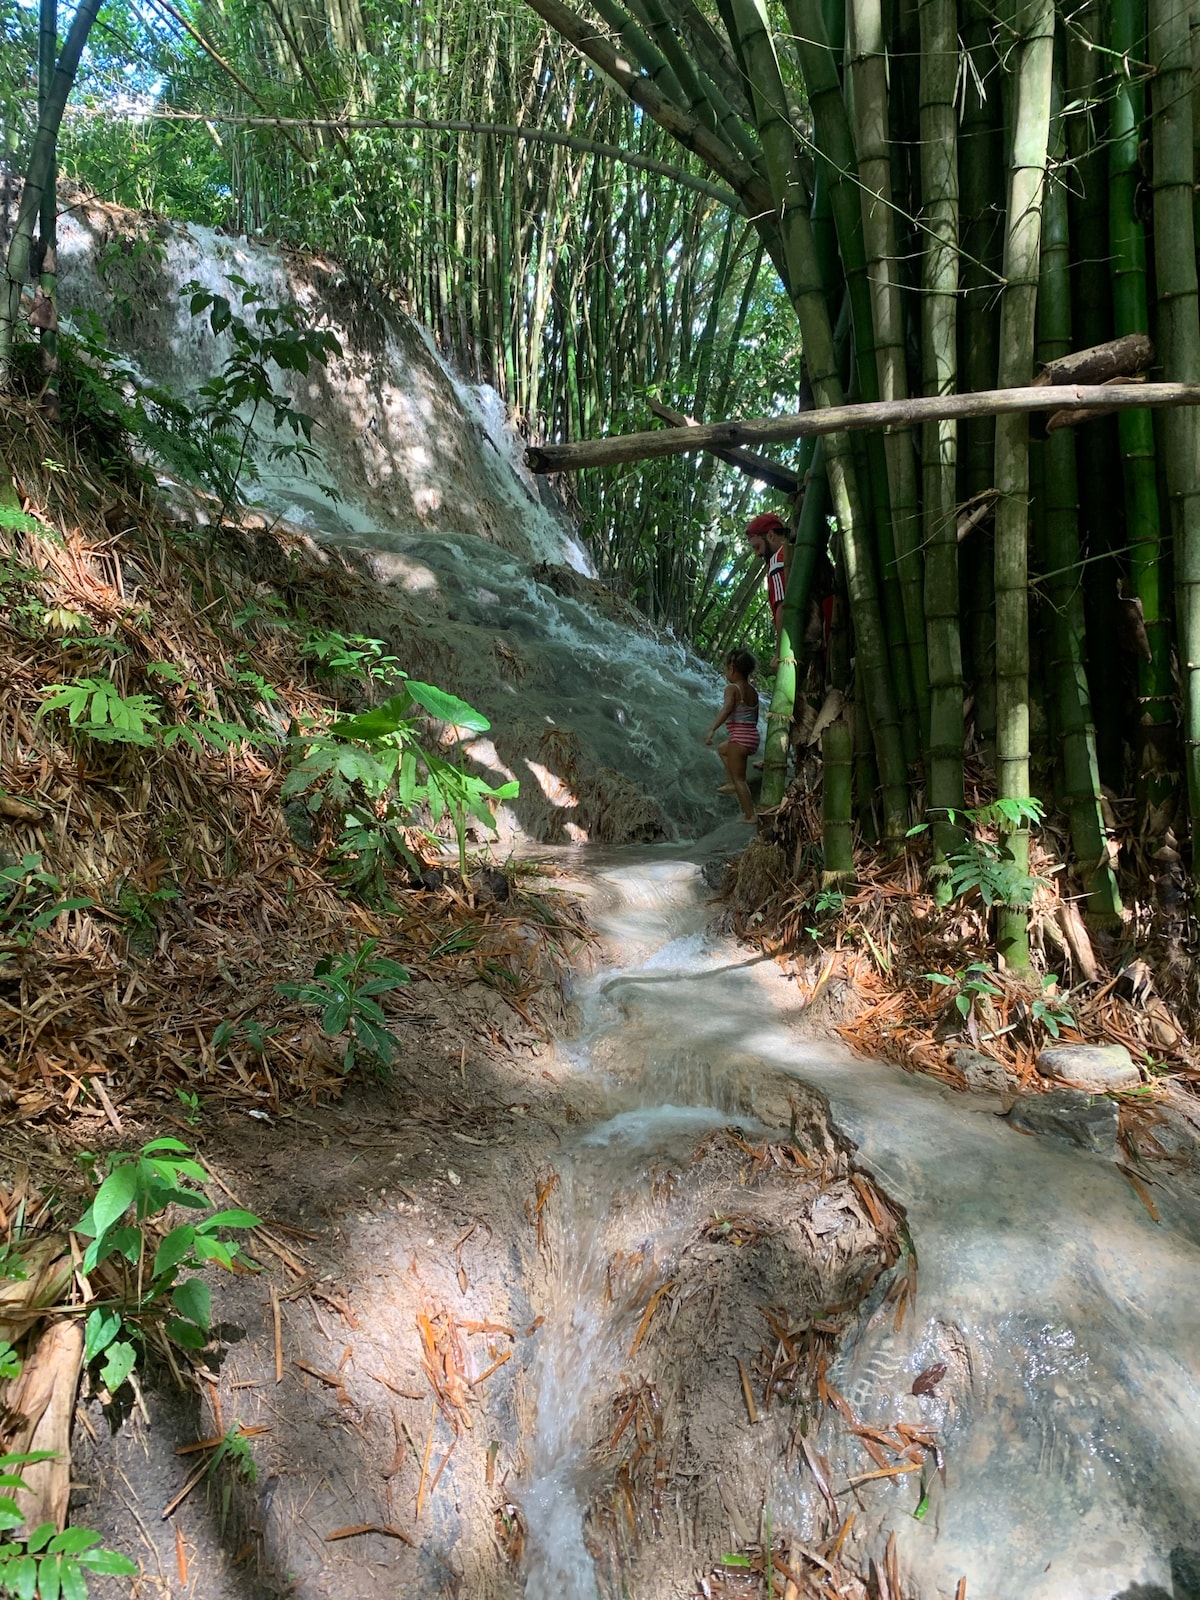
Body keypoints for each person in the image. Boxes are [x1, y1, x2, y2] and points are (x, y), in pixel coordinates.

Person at [704, 649, 759, 823]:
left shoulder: (732, 688)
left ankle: (750, 815)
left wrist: (712, 728)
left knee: (740, 779)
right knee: (722, 749)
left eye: (727, 669)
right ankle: (731, 783)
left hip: (739, 739)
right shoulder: (753, 691)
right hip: (751, 736)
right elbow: (755, 717)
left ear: (732, 669)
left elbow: (727, 708)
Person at [744, 510, 792, 670]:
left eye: (757, 547)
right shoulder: (793, 553)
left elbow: (783, 606)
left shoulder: (779, 561)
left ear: (771, 536)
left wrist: (780, 653)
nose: (757, 554)